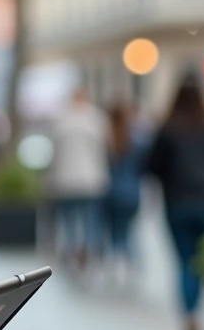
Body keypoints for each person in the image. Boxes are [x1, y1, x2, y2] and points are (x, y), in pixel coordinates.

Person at [145, 75, 204, 330]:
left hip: (176, 203)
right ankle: (196, 315)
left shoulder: (168, 128)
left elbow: (151, 165)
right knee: (199, 263)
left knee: (185, 263)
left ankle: (190, 318)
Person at [47, 87, 110, 271]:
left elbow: (54, 151)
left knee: (68, 222)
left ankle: (71, 253)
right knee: (90, 220)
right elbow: (105, 148)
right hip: (91, 179)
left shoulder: (62, 118)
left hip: (65, 180)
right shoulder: (96, 118)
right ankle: (87, 253)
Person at [105, 101, 148, 281]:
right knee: (129, 230)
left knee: (115, 231)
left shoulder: (107, 139)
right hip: (132, 192)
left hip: (111, 192)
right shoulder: (136, 139)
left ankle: (117, 263)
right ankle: (131, 263)